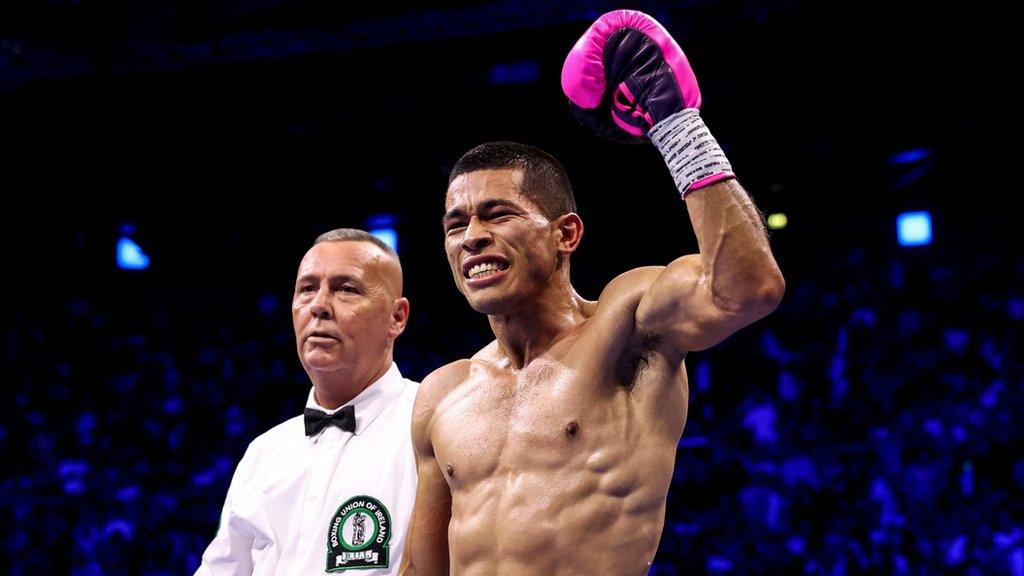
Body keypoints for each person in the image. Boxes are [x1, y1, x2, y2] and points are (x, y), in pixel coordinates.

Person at [400, 10, 785, 575]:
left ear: (566, 234)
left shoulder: (626, 328)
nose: (473, 238)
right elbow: (421, 569)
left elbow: (746, 291)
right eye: (455, 226)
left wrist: (676, 127)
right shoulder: (441, 394)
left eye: (497, 215)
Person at [198, 228, 419, 575]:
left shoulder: (431, 426)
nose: (319, 306)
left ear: (397, 317)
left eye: (346, 289)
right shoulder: (264, 453)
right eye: (307, 289)